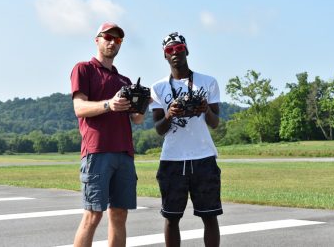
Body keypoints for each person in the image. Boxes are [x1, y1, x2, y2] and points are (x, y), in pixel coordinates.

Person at [70, 22, 144, 247]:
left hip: (124, 153)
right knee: (93, 214)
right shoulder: (84, 69)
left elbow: (137, 120)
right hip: (97, 151)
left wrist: (142, 103)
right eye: (108, 37)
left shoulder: (125, 81)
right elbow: (79, 108)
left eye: (118, 40)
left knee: (120, 214)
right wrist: (108, 105)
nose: (112, 42)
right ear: (97, 40)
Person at [150, 32, 222, 247]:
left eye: (179, 48)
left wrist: (205, 109)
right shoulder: (158, 88)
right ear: (164, 55)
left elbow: (215, 122)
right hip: (172, 158)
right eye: (169, 50)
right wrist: (170, 114)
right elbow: (159, 129)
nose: (175, 53)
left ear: (187, 50)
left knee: (209, 216)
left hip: (204, 156)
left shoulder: (208, 82)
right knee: (172, 217)